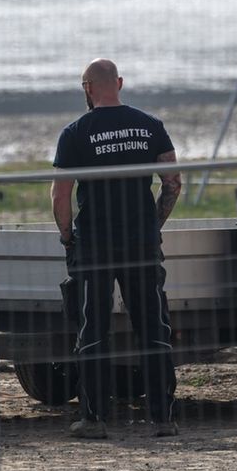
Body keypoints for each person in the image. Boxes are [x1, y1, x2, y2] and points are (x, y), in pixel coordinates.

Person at [51, 58, 182, 439]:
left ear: (87, 88)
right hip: (141, 243)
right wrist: (152, 225)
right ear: (119, 83)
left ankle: (94, 418)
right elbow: (173, 183)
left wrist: (67, 237)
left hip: (95, 244)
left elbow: (61, 194)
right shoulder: (151, 126)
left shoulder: (76, 132)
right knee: (153, 327)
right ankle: (163, 418)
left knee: (93, 329)